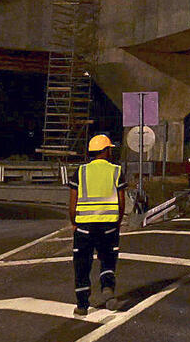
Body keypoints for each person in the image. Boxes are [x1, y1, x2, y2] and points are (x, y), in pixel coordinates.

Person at [68, 134, 127, 316]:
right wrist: (117, 221)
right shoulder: (116, 171)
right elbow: (121, 201)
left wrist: (74, 223)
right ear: (105, 151)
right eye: (110, 149)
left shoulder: (80, 171)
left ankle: (82, 305)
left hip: (84, 227)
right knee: (108, 259)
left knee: (82, 265)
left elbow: (72, 202)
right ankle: (107, 288)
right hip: (108, 226)